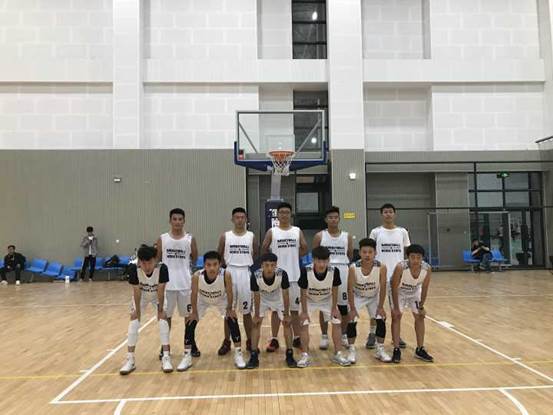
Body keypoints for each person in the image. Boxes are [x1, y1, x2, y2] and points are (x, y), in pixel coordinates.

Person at [179, 251, 246, 371]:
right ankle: (187, 356)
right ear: (204, 265)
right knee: (190, 321)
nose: (212, 268)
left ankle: (238, 354)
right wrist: (194, 312)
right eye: (208, 265)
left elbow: (230, 293)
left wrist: (230, 309)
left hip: (221, 299)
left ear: (219, 265)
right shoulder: (197, 276)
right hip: (202, 300)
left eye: (215, 264)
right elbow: (193, 294)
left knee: (232, 319)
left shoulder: (226, 275)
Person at [261, 202, 308, 352]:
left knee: (294, 310)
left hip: (294, 277)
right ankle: (274, 339)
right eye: (281, 212)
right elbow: (264, 248)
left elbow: (305, 248)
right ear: (278, 215)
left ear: (290, 214)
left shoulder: (297, 231)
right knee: (276, 310)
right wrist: (271, 265)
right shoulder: (272, 232)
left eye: (287, 212)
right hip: (277, 278)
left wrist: (294, 256)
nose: (284, 215)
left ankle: (296, 338)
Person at [155, 208, 199, 368]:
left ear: (184, 221)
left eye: (180, 219)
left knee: (189, 317)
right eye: (175, 219)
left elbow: (195, 257)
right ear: (170, 221)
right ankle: (165, 346)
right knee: (166, 317)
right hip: (167, 285)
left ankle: (190, 343)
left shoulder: (190, 239)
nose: (178, 222)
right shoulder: (163, 239)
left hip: (185, 284)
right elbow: (157, 259)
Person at [119, 245, 172, 375]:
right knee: (134, 320)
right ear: (139, 262)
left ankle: (166, 357)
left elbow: (161, 290)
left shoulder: (162, 268)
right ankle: (130, 359)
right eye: (143, 263)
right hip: (141, 295)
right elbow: (136, 291)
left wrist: (160, 309)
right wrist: (137, 311)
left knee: (163, 319)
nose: (147, 266)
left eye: (150, 263)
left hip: (157, 295)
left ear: (155, 260)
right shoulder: (133, 268)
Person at [297, 246, 351, 368]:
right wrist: (304, 312)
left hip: (327, 299)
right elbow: (303, 292)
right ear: (313, 260)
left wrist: (334, 308)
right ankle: (305, 355)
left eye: (325, 261)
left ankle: (338, 353)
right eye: (319, 261)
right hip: (309, 299)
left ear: (329, 260)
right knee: (304, 323)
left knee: (337, 321)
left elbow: (335, 289)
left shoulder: (334, 271)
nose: (322, 264)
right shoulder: (306, 270)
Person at [217, 207, 258, 356]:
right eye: (237, 217)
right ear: (232, 219)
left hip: (245, 273)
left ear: (246, 219)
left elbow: (256, 253)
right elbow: (219, 255)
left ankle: (249, 341)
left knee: (247, 311)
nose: (240, 220)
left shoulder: (251, 236)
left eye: (242, 217)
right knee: (229, 310)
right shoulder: (225, 236)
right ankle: (226, 341)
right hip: (230, 272)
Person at [368, 203, 410, 349]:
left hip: (397, 277)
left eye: (390, 212)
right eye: (385, 212)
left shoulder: (402, 232)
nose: (388, 214)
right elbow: (370, 252)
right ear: (382, 214)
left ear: (394, 214)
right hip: (379, 275)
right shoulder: (375, 232)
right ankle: (372, 333)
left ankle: (396, 336)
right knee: (375, 307)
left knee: (396, 309)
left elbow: (407, 253)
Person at [312, 206, 353, 350]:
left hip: (343, 270)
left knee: (343, 307)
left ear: (339, 219)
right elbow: (315, 255)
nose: (333, 220)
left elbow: (350, 255)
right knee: (324, 305)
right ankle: (324, 336)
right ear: (326, 219)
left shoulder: (347, 236)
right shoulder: (319, 236)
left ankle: (343, 335)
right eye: (330, 217)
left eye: (336, 217)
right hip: (324, 271)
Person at [247, 253, 296, 369]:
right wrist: (257, 315)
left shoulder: (282, 274)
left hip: (278, 299)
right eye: (267, 265)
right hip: (262, 299)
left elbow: (285, 294)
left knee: (287, 324)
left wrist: (286, 314)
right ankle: (254, 355)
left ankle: (290, 354)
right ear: (262, 266)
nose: (269, 268)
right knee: (256, 324)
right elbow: (256, 295)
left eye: (272, 265)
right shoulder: (255, 276)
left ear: (276, 265)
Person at [346, 238, 392, 363]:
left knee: (381, 318)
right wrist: (352, 308)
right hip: (358, 296)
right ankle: (351, 350)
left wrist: (380, 307)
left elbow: (383, 287)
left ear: (375, 253)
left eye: (370, 252)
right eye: (364, 252)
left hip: (373, 296)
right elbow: (350, 289)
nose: (367, 255)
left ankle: (380, 349)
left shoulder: (381, 267)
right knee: (351, 319)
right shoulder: (353, 268)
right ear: (360, 253)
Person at [390, 244, 433, 364]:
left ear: (422, 258)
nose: (415, 260)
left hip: (414, 291)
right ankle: (396, 349)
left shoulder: (427, 269)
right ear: (407, 257)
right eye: (412, 257)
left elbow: (425, 288)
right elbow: (394, 287)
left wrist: (421, 306)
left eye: (418, 257)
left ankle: (420, 349)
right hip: (399, 291)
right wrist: (396, 308)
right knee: (396, 317)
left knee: (420, 316)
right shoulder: (400, 267)